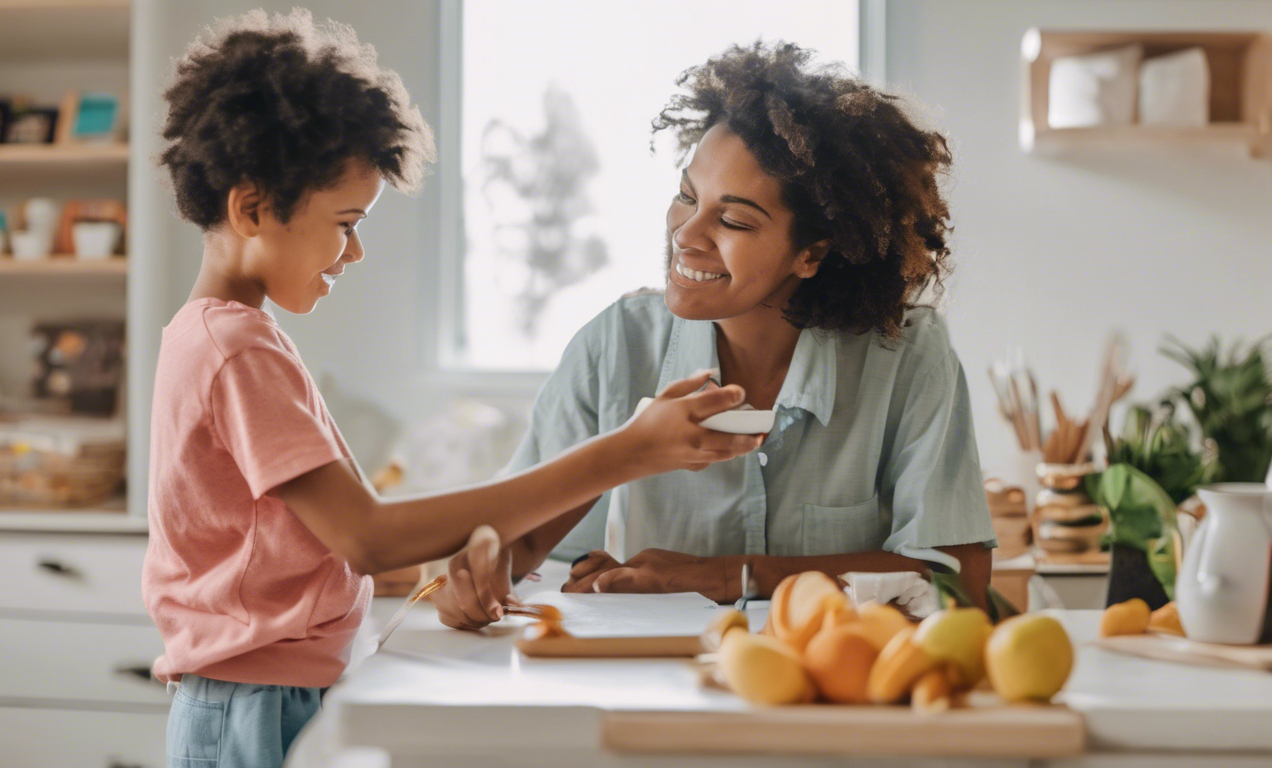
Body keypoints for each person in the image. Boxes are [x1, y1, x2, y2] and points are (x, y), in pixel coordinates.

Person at [142, 11, 763, 768]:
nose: (356, 249)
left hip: (259, 692)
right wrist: (626, 453)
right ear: (251, 207)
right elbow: (367, 537)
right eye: (346, 222)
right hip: (255, 706)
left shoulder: (219, 335)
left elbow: (304, 545)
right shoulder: (237, 348)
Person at [433, 41, 996, 631]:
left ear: (812, 252)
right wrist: (476, 574)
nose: (687, 233)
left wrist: (723, 576)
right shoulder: (616, 346)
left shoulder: (905, 354)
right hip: (657, 690)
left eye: (732, 220)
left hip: (835, 690)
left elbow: (957, 580)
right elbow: (518, 545)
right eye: (686, 196)